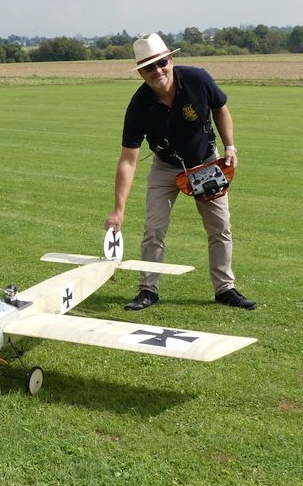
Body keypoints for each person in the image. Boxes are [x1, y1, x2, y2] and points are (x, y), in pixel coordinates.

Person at [105, 33, 256, 311]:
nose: (157, 70)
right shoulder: (139, 105)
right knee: (154, 229)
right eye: (149, 67)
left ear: (171, 60)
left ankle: (225, 288)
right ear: (140, 73)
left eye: (161, 63)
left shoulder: (198, 79)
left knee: (220, 227)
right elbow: (128, 160)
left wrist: (230, 146)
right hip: (165, 166)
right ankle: (148, 290)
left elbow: (221, 108)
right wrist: (118, 210)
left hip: (206, 162)